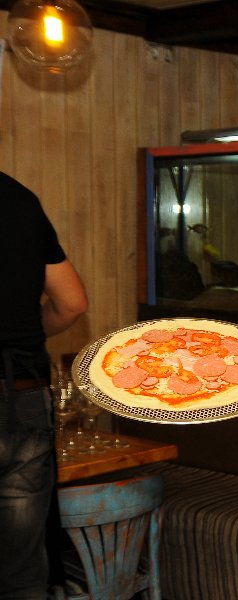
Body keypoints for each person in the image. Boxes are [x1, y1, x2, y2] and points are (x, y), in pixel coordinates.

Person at [1, 172, 88, 600]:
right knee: (23, 573)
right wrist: (21, 334)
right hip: (22, 392)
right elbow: (71, 303)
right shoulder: (18, 198)